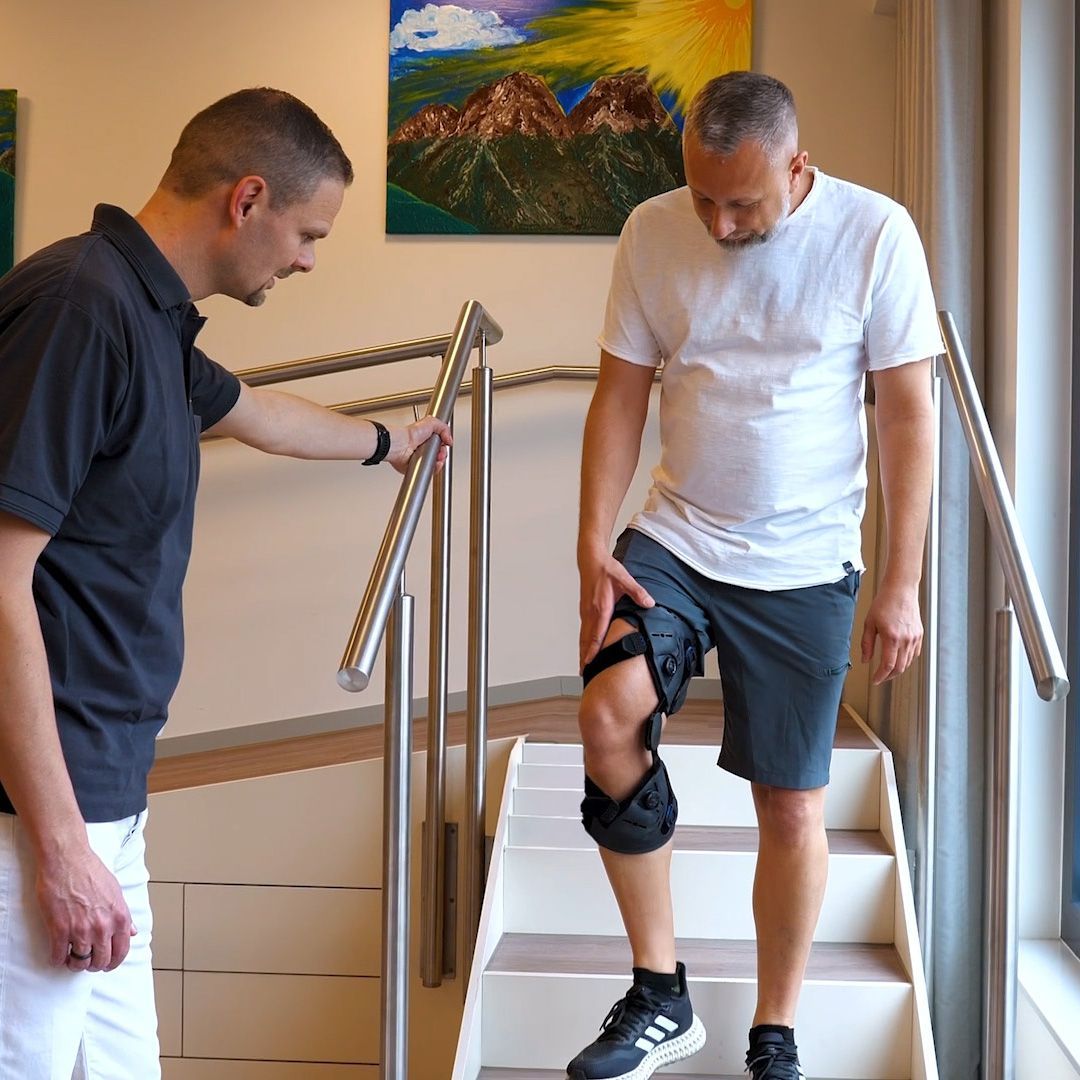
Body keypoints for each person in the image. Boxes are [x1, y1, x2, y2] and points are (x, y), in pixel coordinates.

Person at [0, 87, 450, 1079]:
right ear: (248, 198)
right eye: (308, 233)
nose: (307, 260)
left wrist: (390, 443)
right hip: (37, 815)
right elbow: (0, 579)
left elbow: (254, 412)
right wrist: (61, 845)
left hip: (104, 794)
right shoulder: (80, 307)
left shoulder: (150, 316)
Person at [567, 71, 941, 1080]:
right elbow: (619, 397)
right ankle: (659, 993)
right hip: (678, 539)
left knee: (791, 805)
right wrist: (592, 538)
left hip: (808, 561)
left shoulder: (876, 234)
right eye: (705, 199)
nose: (722, 225)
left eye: (745, 203)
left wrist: (901, 585)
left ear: (798, 167)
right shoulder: (651, 232)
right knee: (608, 716)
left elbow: (910, 418)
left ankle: (773, 1031)